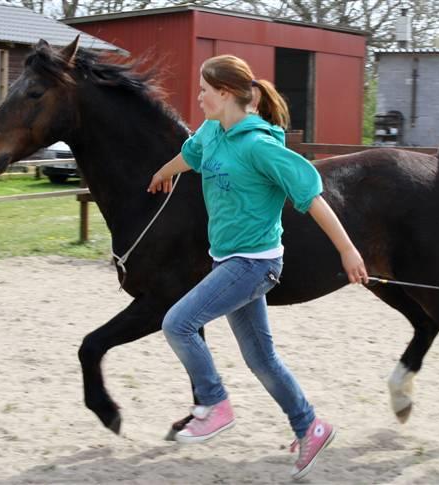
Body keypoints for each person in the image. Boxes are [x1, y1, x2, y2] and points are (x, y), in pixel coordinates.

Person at [147, 55, 368, 481]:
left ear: (226, 93)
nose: (198, 97)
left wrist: (348, 250)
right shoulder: (213, 132)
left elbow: (312, 196)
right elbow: (190, 155)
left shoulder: (261, 146)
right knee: (261, 358)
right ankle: (310, 427)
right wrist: (163, 172)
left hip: (255, 263)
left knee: (178, 323)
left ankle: (213, 404)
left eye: (204, 90)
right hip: (227, 259)